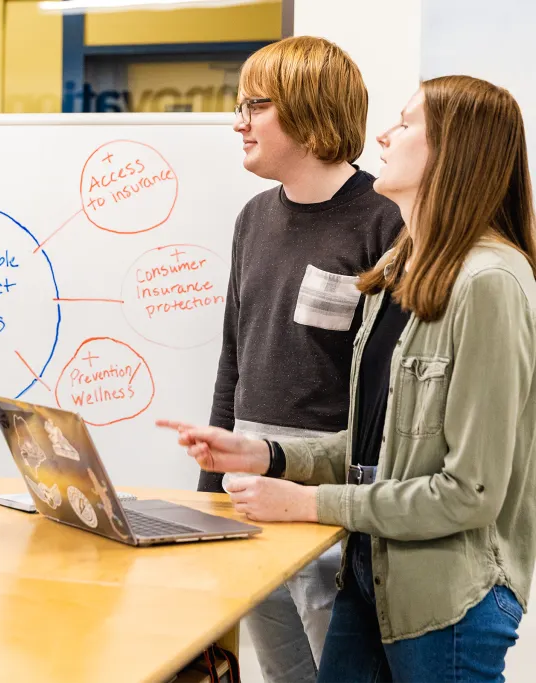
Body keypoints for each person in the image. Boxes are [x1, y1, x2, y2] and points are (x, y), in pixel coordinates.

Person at [161, 74, 536, 683]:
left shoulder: (490, 282)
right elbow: (376, 448)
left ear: (455, 151)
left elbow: (470, 491)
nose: (384, 135)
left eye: (407, 124)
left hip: (447, 601)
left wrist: (308, 503)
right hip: (371, 574)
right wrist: (267, 453)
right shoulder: (402, 267)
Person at [197, 36, 403, 683]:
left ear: (310, 112)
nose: (239, 122)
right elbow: (233, 357)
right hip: (247, 483)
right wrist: (209, 501)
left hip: (330, 494)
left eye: (254, 105)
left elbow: (393, 390)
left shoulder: (387, 221)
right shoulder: (252, 218)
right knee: (282, 672)